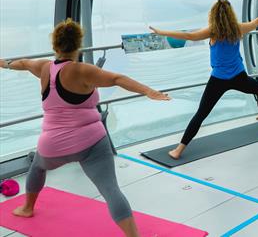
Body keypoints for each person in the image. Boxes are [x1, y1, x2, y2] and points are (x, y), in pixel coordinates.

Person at [1, 19, 170, 237]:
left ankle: (27, 208)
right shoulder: (83, 71)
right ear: (77, 45)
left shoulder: (43, 67)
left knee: (37, 167)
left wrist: (2, 63)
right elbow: (118, 78)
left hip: (53, 146)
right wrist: (149, 91)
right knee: (111, 190)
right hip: (91, 142)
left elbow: (21, 63)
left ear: (55, 46)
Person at [149, 0, 258, 160]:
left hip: (218, 80)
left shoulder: (212, 31)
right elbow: (257, 21)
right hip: (238, 76)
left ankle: (178, 150)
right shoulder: (238, 28)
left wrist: (162, 32)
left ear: (213, 15)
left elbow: (188, 36)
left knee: (201, 114)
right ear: (230, 14)